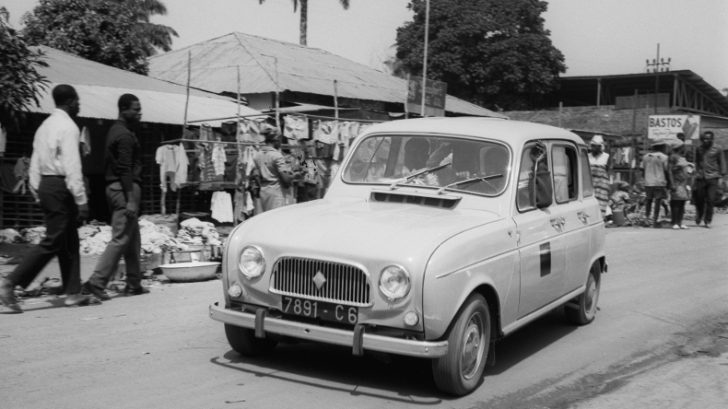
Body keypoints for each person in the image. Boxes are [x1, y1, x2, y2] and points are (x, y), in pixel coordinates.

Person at [0, 84, 90, 313]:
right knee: (54, 239)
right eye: (77, 101)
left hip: (47, 185)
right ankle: (11, 282)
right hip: (61, 186)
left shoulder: (45, 126)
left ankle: (72, 292)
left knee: (69, 239)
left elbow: (35, 161)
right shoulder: (69, 128)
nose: (79, 106)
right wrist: (81, 199)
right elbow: (72, 166)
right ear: (70, 101)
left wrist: (37, 190)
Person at [82, 94, 147, 300]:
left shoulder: (117, 130)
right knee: (120, 239)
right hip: (123, 189)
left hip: (118, 188)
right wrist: (130, 199)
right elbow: (125, 168)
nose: (139, 113)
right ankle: (96, 282)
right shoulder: (124, 135)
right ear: (123, 109)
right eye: (135, 109)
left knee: (133, 237)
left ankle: (134, 283)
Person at [252, 127, 294, 212]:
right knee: (276, 219)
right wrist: (293, 176)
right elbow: (286, 180)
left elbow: (256, 176)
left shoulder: (257, 155)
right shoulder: (277, 156)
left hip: (264, 192)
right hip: (276, 193)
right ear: (276, 140)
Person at [692, 131, 727, 228]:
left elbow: (722, 162)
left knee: (711, 199)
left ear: (712, 139)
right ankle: (699, 214)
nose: (705, 141)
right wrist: (696, 173)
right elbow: (697, 161)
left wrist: (722, 177)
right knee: (699, 199)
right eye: (704, 139)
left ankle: (708, 220)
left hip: (713, 177)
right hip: (701, 177)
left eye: (708, 139)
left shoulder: (718, 149)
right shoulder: (699, 149)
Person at [641, 142, 669, 227]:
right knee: (658, 201)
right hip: (659, 182)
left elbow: (643, 169)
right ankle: (655, 219)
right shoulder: (664, 157)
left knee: (648, 200)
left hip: (648, 182)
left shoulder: (645, 157)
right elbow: (666, 170)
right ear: (662, 147)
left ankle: (647, 217)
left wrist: (646, 178)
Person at [668, 142, 694, 229]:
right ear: (680, 147)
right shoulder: (673, 157)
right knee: (676, 202)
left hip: (684, 183)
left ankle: (680, 222)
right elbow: (670, 170)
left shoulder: (682, 157)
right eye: (683, 147)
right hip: (677, 182)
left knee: (682, 202)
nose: (685, 149)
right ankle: (675, 222)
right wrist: (672, 183)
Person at [587, 135, 610, 219]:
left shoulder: (606, 157)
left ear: (601, 147)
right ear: (591, 146)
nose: (595, 148)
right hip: (590, 185)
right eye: (594, 146)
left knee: (601, 204)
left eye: (597, 146)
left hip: (602, 186)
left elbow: (607, 171)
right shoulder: (587, 156)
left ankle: (601, 220)